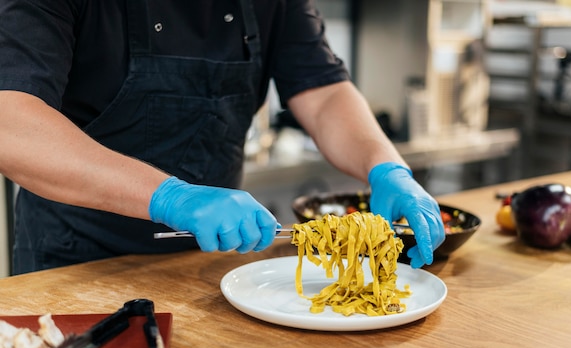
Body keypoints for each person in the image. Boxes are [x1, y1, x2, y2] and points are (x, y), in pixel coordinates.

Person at [0, 0, 444, 275]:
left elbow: (324, 93)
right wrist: (171, 197)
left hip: (210, 264)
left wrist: (387, 166)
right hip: (75, 262)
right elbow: (11, 123)